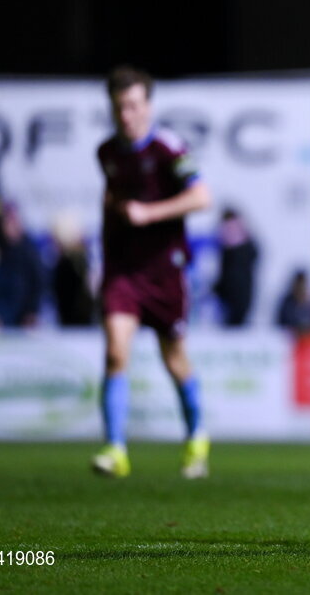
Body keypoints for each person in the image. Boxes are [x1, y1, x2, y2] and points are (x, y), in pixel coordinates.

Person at [92, 66, 212, 479]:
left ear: (147, 105)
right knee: (114, 353)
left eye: (133, 105)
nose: (127, 115)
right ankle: (114, 448)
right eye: (119, 107)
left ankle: (197, 435)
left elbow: (201, 197)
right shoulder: (107, 153)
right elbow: (111, 204)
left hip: (164, 270)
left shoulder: (168, 149)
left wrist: (149, 213)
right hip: (122, 270)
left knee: (174, 358)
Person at [213, 207, 259, 327]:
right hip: (244, 290)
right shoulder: (247, 240)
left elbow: (224, 271)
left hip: (232, 291)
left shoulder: (227, 243)